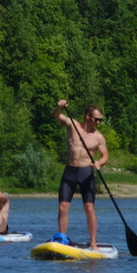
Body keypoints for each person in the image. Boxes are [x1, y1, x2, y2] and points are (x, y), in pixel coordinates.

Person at [52, 99, 110, 248]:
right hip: (70, 171)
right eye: (96, 119)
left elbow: (105, 157)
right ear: (87, 116)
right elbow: (57, 116)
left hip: (86, 172)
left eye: (100, 120)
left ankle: (93, 242)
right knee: (62, 207)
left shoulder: (98, 137)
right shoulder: (73, 125)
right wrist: (59, 107)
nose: (98, 122)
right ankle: (62, 239)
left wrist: (99, 163)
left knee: (89, 208)